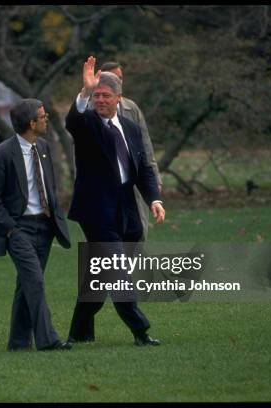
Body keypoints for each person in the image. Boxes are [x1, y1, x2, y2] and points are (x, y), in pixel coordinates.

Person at [66, 56, 166, 346]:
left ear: (118, 99)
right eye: (96, 96)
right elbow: (73, 121)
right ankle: (140, 331)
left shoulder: (130, 128)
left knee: (99, 274)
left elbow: (144, 169)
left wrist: (154, 200)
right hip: (96, 211)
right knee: (117, 271)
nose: (100, 100)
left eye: (105, 96)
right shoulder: (88, 127)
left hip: (126, 207)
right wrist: (84, 91)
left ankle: (79, 332)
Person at [0, 98, 72, 351]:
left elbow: (49, 187)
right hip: (18, 229)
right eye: (42, 117)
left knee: (26, 285)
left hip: (44, 227)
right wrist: (10, 229)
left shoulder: (42, 147)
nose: (46, 120)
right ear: (31, 123)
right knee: (35, 281)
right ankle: (48, 340)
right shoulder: (1, 155)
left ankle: (18, 343)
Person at [98, 61, 162, 240]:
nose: (118, 81)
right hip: (105, 191)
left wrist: (153, 180)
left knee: (138, 230)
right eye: (112, 78)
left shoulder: (130, 108)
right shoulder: (92, 111)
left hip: (132, 184)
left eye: (120, 78)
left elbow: (145, 147)